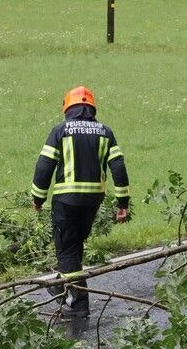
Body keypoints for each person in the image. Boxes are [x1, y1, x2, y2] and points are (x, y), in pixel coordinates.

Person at [30, 85, 130, 319]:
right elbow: (118, 167)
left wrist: (37, 198)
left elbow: (44, 166)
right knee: (74, 247)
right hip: (92, 201)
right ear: (92, 108)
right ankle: (61, 286)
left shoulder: (61, 130)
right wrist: (122, 203)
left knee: (66, 250)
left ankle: (79, 304)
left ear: (68, 108)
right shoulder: (105, 132)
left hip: (66, 200)